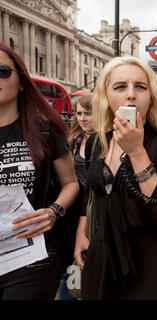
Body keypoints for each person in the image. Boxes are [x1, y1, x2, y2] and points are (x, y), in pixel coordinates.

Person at [73, 56, 157, 299]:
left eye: (140, 87)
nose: (131, 94)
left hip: (149, 265)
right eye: (120, 87)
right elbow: (91, 192)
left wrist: (136, 152)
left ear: (151, 96)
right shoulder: (98, 142)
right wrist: (82, 233)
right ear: (106, 95)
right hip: (103, 259)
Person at [0, 43, 79, 299]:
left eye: (2, 71)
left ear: (22, 81)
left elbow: (71, 183)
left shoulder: (45, 130)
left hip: (32, 257)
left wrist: (53, 212)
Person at [57, 93, 95, 300]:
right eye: (79, 113)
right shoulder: (72, 141)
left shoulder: (107, 142)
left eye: (88, 113)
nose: (82, 118)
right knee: (69, 267)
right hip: (71, 212)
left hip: (94, 212)